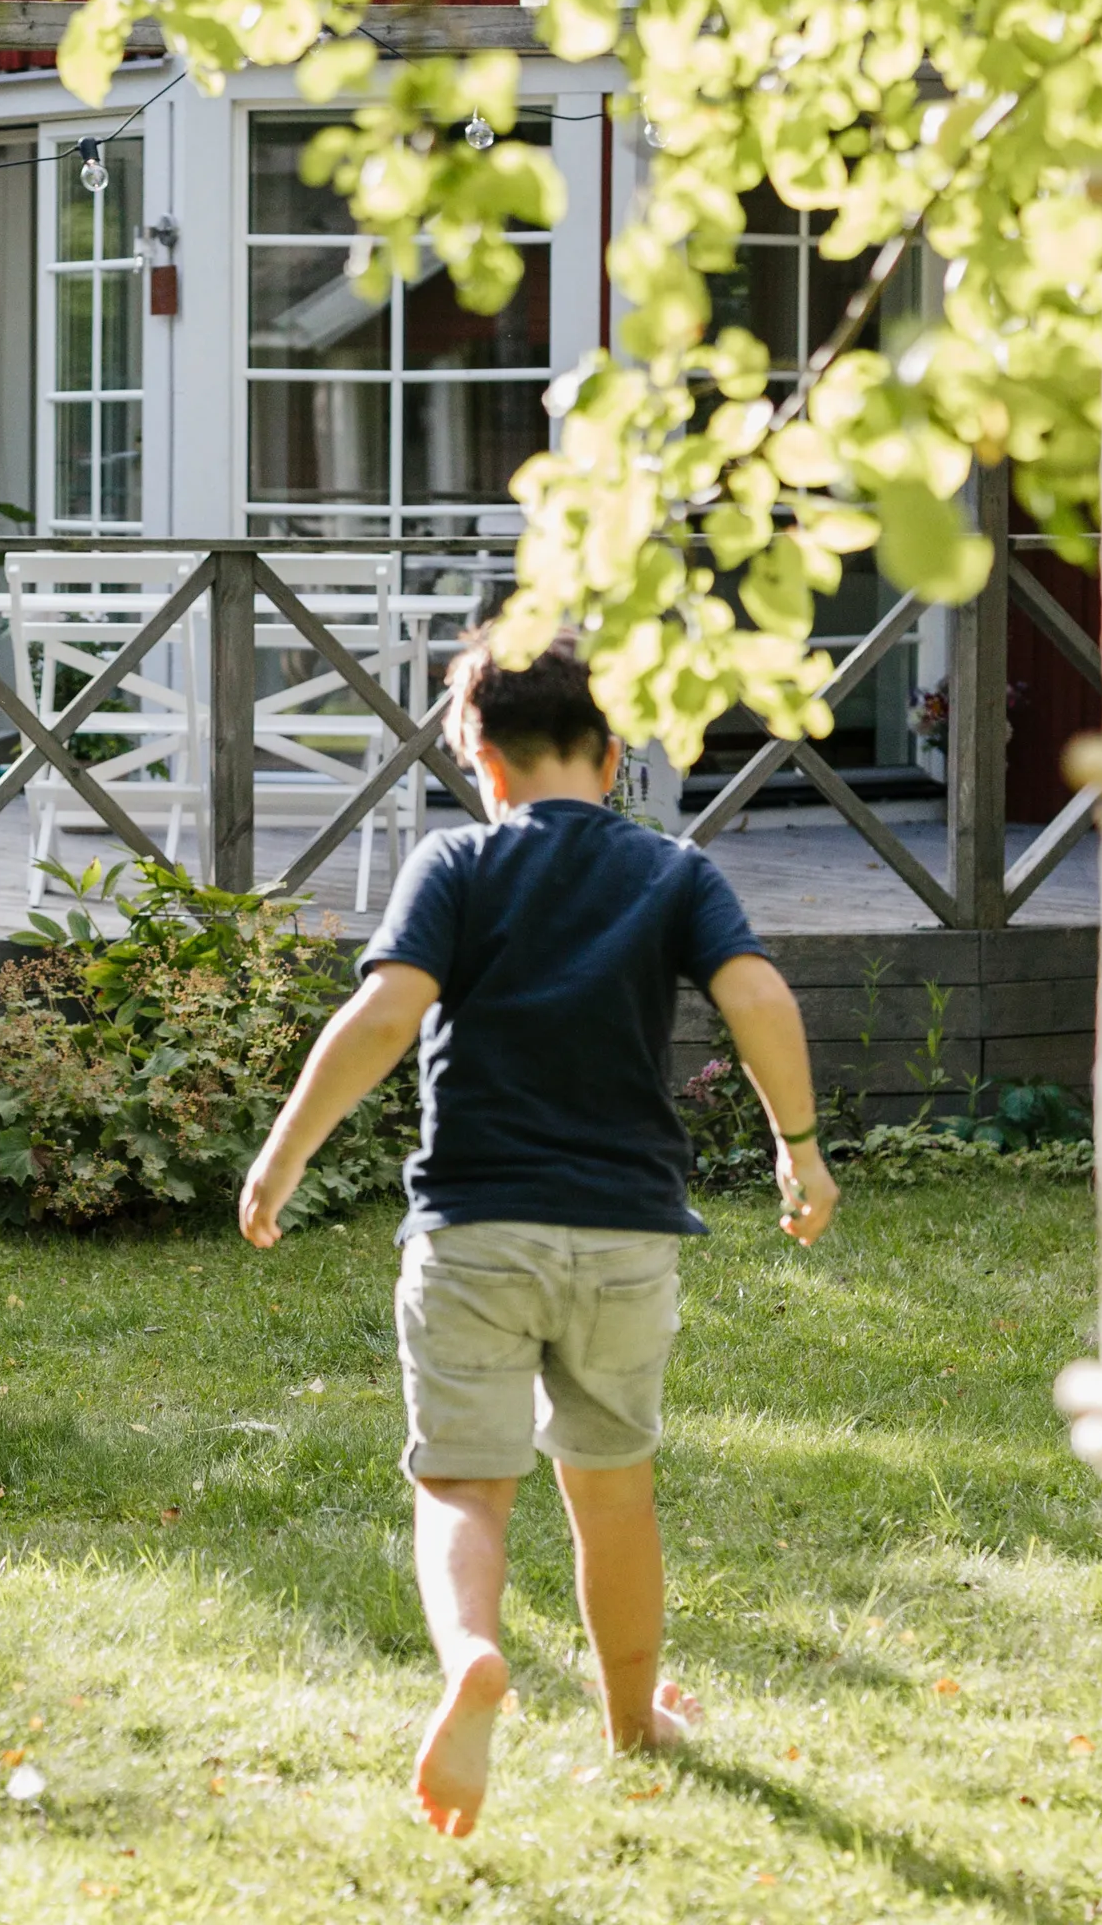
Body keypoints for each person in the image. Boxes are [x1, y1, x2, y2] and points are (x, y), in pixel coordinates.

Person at [237, 626, 837, 1839]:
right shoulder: (674, 873)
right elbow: (760, 993)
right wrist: (800, 1145)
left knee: (465, 1479)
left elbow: (384, 1013)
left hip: (474, 1227)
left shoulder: (457, 863)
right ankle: (630, 1718)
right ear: (613, 757)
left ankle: (472, 1657)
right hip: (624, 1236)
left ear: (479, 757)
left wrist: (285, 1153)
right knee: (612, 1487)